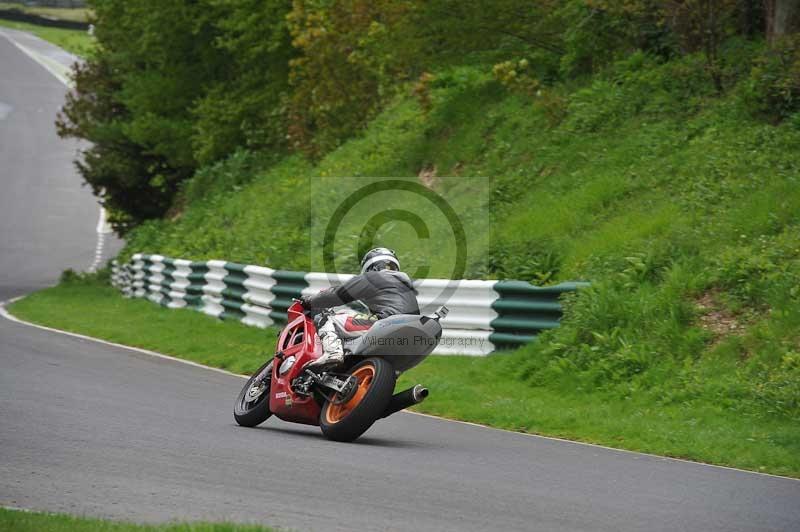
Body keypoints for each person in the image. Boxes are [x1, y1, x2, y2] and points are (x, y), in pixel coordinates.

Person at [300, 247, 420, 368]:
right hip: (413, 334)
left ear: (371, 266)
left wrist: (311, 300)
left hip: (387, 323)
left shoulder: (373, 277)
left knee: (327, 318)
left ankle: (333, 353)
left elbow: (338, 294)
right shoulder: (406, 287)